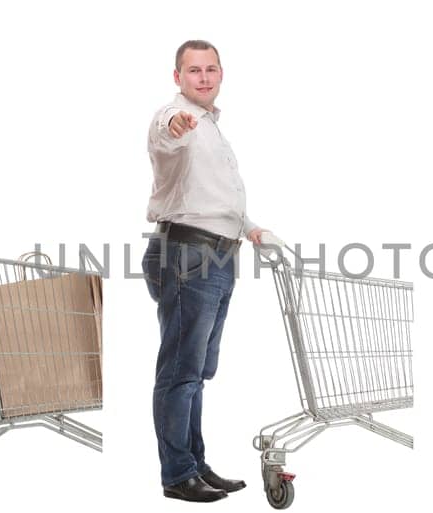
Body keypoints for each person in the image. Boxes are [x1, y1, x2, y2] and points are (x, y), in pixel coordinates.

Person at [142, 39, 272, 503]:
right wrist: (176, 125)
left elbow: (211, 197)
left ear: (221, 74)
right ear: (177, 77)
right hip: (187, 254)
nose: (203, 77)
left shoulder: (214, 127)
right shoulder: (175, 117)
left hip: (218, 252)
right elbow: (166, 135)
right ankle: (177, 474)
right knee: (180, 370)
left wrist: (252, 228)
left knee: (197, 370)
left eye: (210, 69)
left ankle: (194, 464)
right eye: (193, 70)